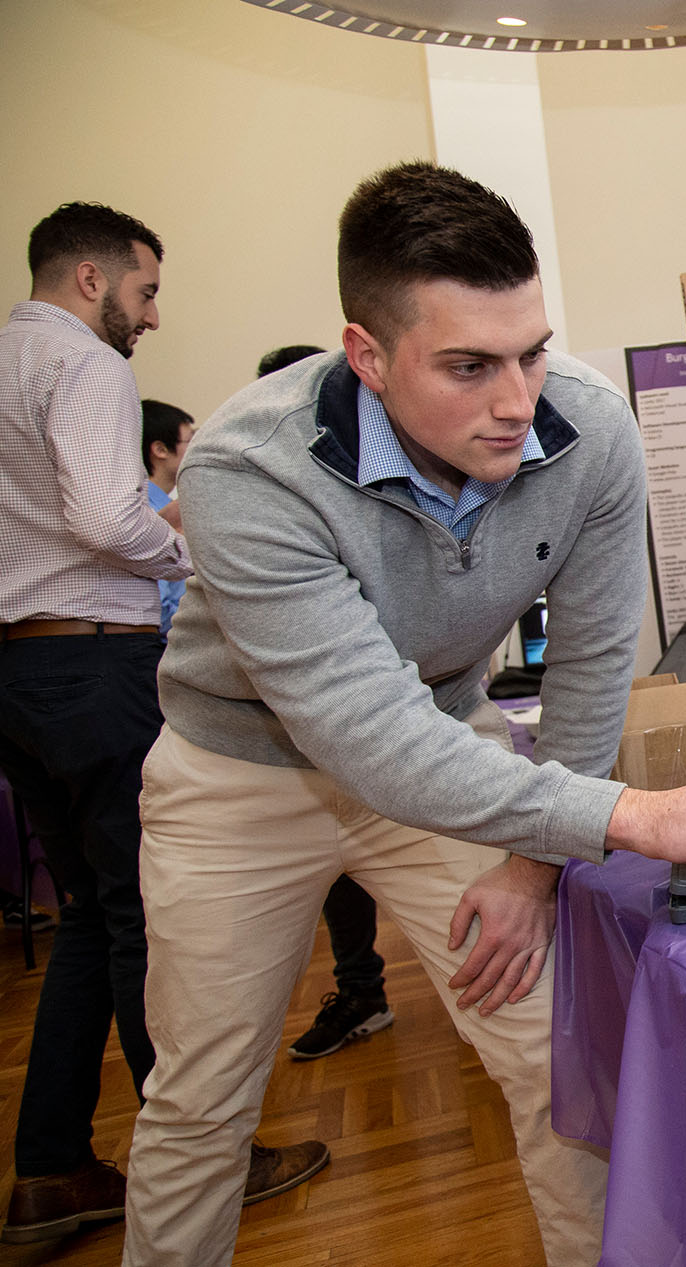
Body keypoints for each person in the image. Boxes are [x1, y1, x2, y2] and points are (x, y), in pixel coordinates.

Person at [124, 162, 686, 1266]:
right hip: (238, 771)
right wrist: (629, 814)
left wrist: (535, 867)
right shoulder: (248, 469)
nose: (518, 399)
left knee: (562, 1065)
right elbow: (367, 737)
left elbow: (588, 665)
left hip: (445, 739)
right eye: (468, 365)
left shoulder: (588, 434)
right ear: (367, 355)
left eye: (532, 349)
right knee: (200, 1102)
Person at [0, 202, 325, 1246]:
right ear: (91, 279)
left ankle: (49, 1168)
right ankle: (198, 1155)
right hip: (94, 659)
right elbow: (105, 516)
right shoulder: (84, 364)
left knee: (91, 922)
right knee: (150, 914)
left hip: (18, 669)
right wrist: (193, 543)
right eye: (144, 292)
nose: (149, 318)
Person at [250, 345, 400, 1062]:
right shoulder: (257, 492)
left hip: (383, 749)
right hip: (274, 756)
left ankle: (363, 989)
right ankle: (360, 988)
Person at [138, 399, 193, 637]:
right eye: (191, 441)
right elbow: (156, 606)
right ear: (160, 450)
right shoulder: (145, 511)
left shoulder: (166, 505)